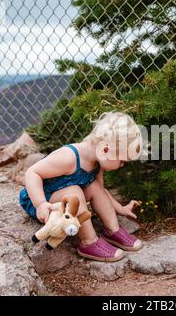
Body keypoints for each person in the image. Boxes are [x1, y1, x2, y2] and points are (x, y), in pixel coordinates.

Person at [19, 111, 144, 262]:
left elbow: (101, 192)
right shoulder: (69, 157)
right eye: (122, 161)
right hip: (42, 200)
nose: (122, 165)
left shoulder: (97, 163)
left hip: (67, 199)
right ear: (105, 150)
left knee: (95, 187)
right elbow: (32, 173)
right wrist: (40, 204)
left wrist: (120, 208)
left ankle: (113, 230)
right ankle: (88, 242)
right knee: (75, 192)